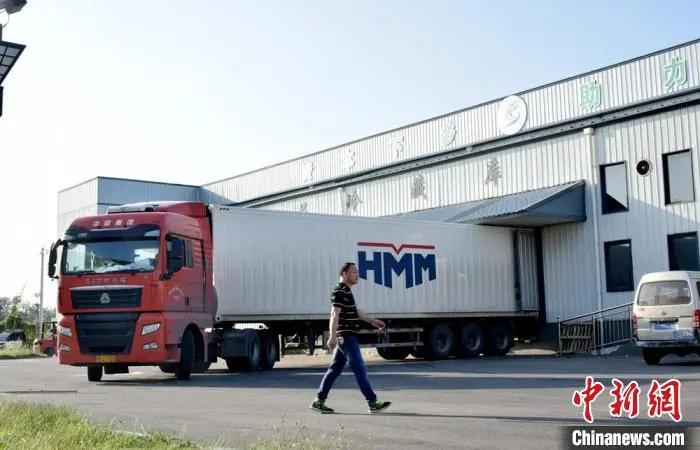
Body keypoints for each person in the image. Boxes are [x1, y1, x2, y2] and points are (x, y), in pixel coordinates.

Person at [310, 262, 392, 414]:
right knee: (360, 369)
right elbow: (334, 314)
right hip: (346, 337)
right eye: (354, 272)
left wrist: (373, 321)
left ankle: (318, 401)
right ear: (345, 274)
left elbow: (356, 312)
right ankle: (373, 402)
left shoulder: (346, 291)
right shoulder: (340, 291)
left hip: (347, 336)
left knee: (334, 370)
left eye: (357, 272)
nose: (357, 275)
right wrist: (332, 336)